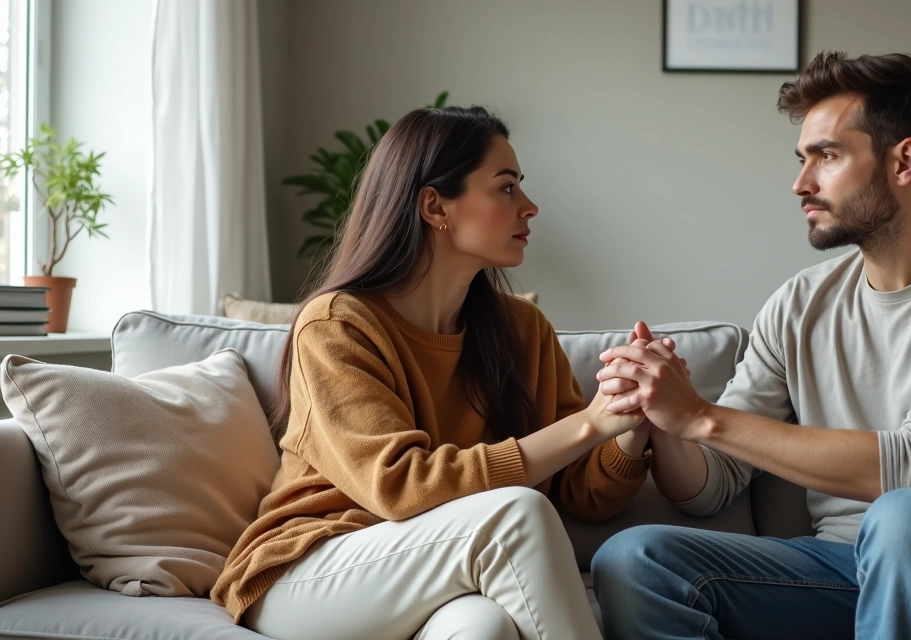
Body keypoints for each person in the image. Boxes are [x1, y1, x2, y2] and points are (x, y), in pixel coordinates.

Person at [591, 51, 911, 639]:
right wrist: (662, 411)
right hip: (845, 565)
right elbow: (712, 484)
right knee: (634, 559)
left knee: (905, 517)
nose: (801, 184)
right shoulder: (799, 304)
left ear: (905, 161)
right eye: (802, 159)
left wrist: (701, 416)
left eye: (828, 156)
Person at [212, 105, 668, 640]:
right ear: (435, 206)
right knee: (515, 515)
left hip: (435, 569)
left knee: (486, 629)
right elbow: (400, 486)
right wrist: (590, 423)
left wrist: (630, 418)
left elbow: (583, 492)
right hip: (309, 568)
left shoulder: (522, 328)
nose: (530, 207)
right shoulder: (337, 325)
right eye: (506, 187)